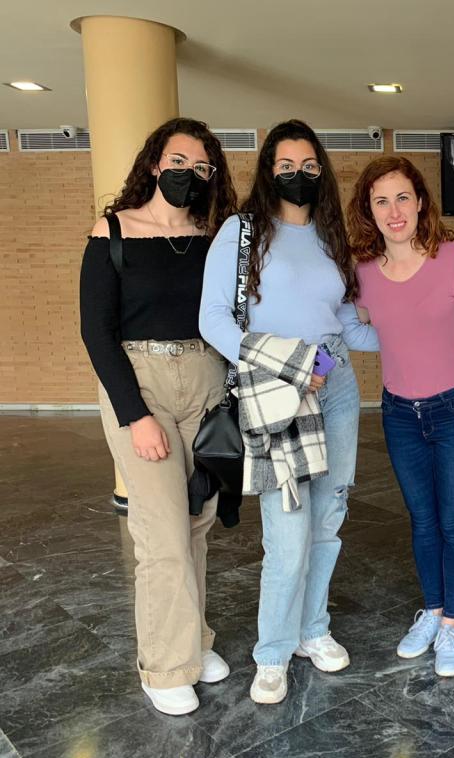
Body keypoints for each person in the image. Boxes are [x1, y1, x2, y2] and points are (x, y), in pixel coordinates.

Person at [199, 119, 379, 705]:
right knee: (288, 528)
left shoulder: (332, 236)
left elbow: (348, 323)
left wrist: (421, 329)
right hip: (280, 389)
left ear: (320, 171)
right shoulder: (243, 232)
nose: (297, 175)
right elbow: (213, 319)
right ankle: (272, 652)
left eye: (308, 166)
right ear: (268, 170)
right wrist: (289, 361)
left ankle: (312, 630)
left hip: (337, 383)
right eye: (285, 166)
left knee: (328, 517)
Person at [80, 117, 237, 716]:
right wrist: (135, 414)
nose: (188, 174)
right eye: (178, 162)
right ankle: (165, 667)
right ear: (154, 164)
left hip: (206, 380)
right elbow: (97, 332)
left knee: (195, 520)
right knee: (162, 533)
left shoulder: (212, 236)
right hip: (141, 383)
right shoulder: (114, 230)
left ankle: (193, 642)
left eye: (201, 167)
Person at [346, 156, 454, 677]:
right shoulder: (362, 274)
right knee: (422, 521)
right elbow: (342, 331)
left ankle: (453, 624)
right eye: (381, 201)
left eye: (403, 197)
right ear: (369, 211)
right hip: (399, 414)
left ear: (421, 202)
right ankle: (434, 610)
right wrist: (316, 369)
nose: (394, 211)